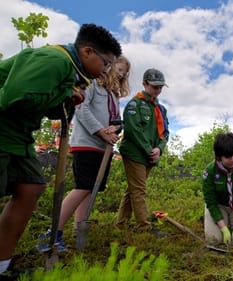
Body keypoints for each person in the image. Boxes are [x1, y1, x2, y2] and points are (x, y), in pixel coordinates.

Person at [0, 23, 121, 274]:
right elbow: (15, 98)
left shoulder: (73, 73)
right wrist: (65, 93)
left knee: (31, 186)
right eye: (106, 62)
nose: (107, 70)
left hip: (18, 135)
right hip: (3, 128)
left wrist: (66, 99)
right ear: (88, 51)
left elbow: (44, 105)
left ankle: (2, 264)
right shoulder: (55, 60)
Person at [38, 56, 131, 252]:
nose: (121, 74)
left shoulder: (113, 96)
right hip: (86, 143)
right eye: (119, 69)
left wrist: (114, 130)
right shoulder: (92, 86)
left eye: (124, 72)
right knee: (82, 187)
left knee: (90, 190)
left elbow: (116, 120)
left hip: (103, 148)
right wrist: (100, 131)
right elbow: (81, 110)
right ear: (108, 68)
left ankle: (78, 233)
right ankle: (52, 233)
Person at [115, 68, 169, 237]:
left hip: (151, 154)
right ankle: (144, 227)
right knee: (139, 190)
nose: (158, 90)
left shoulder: (161, 109)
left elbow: (165, 132)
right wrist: (148, 150)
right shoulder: (134, 104)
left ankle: (121, 223)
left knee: (133, 189)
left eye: (160, 87)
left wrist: (159, 149)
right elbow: (133, 129)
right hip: (135, 152)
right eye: (154, 86)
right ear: (144, 84)